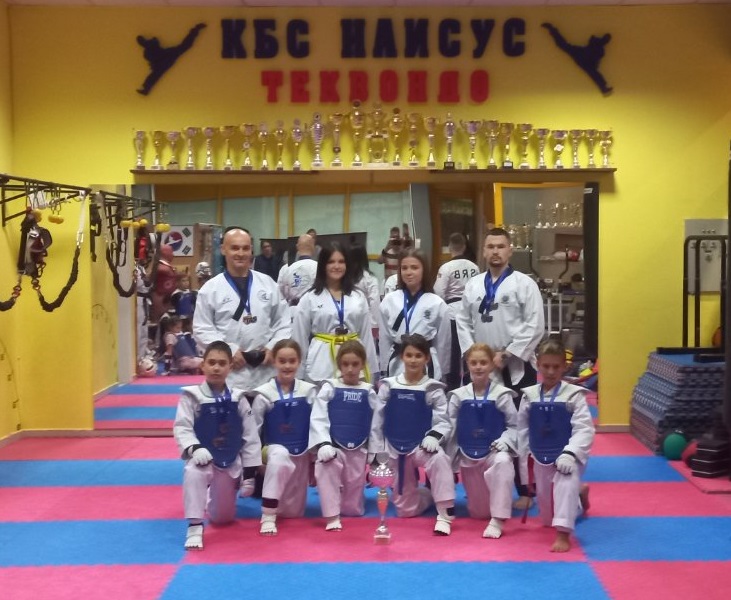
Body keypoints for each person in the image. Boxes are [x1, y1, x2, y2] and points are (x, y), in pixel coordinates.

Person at [455, 226, 544, 509]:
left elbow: (535, 324)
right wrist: (475, 355)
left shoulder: (524, 284)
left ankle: (526, 489)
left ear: (510, 250)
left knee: (522, 427)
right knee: (481, 424)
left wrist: (508, 353)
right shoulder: (473, 285)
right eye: (491, 246)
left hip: (516, 366)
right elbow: (462, 321)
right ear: (483, 251)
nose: (495, 251)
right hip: (483, 366)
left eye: (501, 246)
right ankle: (484, 484)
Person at [173, 340, 262, 550]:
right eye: (211, 362)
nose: (216, 368)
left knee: (223, 518)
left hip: (229, 460)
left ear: (230, 367)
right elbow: (182, 427)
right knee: (194, 470)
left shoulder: (239, 398)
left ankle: (210, 498)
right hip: (203, 457)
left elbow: (250, 435)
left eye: (222, 363)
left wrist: (249, 474)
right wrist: (194, 448)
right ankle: (194, 526)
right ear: (202, 365)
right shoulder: (191, 396)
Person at [517, 339, 594, 552]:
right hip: (540, 452)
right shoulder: (530, 396)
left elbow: (584, 429)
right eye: (546, 366)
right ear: (538, 365)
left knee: (565, 480)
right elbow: (522, 430)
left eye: (556, 366)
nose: (551, 372)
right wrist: (526, 458)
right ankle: (579, 497)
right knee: (547, 518)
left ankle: (563, 535)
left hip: (567, 455)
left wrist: (571, 453)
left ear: (564, 367)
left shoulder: (574, 395)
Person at [193, 227, 291, 393]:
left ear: (251, 250)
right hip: (229, 372)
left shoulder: (268, 284)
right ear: (223, 249)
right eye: (235, 248)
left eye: (245, 248)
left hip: (265, 369)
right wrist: (228, 350)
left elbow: (283, 321)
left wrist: (273, 346)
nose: (240, 253)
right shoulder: (210, 289)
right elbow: (202, 328)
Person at [376, 334, 456, 535]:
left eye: (418, 356)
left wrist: (433, 436)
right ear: (402, 357)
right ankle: (427, 494)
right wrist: (377, 451)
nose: (413, 360)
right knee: (405, 511)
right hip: (395, 448)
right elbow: (377, 420)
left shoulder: (433, 388)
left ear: (427, 358)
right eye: (409, 355)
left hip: (421, 446)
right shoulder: (388, 386)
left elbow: (443, 420)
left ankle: (444, 514)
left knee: (439, 459)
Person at [309, 340, 384, 531]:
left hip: (358, 448)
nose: (350, 369)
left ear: (363, 364)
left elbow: (376, 424)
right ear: (339, 365)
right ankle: (332, 516)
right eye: (345, 364)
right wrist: (323, 443)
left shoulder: (368, 391)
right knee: (326, 466)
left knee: (352, 509)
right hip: (334, 446)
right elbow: (318, 417)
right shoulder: (329, 387)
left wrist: (375, 454)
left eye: (355, 364)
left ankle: (346, 502)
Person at [446, 343, 517, 539]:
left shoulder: (502, 394)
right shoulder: (459, 396)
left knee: (503, 460)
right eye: (474, 363)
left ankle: (498, 519)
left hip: (493, 452)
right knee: (479, 514)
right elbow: (450, 429)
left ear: (492, 365)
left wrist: (506, 440)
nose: (478, 367)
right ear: (467, 364)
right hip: (468, 455)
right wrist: (450, 462)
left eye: (483, 362)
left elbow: (515, 426)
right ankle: (497, 498)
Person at [250, 340, 318, 535]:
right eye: (282, 361)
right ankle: (268, 515)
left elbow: (316, 426)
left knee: (293, 513)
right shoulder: (264, 394)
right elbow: (253, 431)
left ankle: (275, 506)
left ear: (299, 362)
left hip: (301, 452)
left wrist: (314, 458)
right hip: (271, 452)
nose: (287, 366)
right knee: (279, 455)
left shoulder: (309, 391)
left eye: (292, 361)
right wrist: (256, 463)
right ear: (274, 362)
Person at [292, 243, 378, 385]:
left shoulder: (358, 297)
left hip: (353, 361)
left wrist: (372, 371)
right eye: (331, 262)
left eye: (341, 261)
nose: (336, 266)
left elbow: (366, 336)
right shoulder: (310, 298)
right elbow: (299, 337)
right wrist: (297, 375)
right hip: (321, 362)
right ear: (323, 265)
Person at [379, 248, 451, 382]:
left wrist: (443, 372)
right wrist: (383, 368)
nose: (409, 272)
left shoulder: (437, 303)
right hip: (397, 361)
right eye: (404, 268)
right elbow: (384, 339)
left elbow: (443, 343)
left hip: (425, 361)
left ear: (424, 270)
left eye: (414, 267)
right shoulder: (389, 300)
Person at [433, 232, 480, 390]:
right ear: (464, 247)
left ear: (449, 247)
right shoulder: (474, 267)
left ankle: (452, 386)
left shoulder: (446, 268)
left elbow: (438, 292)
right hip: (471, 312)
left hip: (452, 313)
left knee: (453, 353)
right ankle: (470, 383)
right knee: (469, 348)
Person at [349, 243, 380, 340]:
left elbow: (374, 303)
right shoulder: (370, 279)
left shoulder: (345, 278)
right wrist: (374, 325)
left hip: (349, 321)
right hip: (363, 321)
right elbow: (374, 303)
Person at [277, 233, 318, 306]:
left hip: (291, 309)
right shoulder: (319, 268)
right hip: (314, 308)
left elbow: (279, 294)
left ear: (297, 247)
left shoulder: (286, 269)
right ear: (313, 248)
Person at [150, 244, 177, 323]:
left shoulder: (167, 266)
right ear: (165, 253)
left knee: (168, 321)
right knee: (158, 320)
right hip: (159, 297)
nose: (173, 255)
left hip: (168, 298)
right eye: (171, 252)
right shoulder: (160, 266)